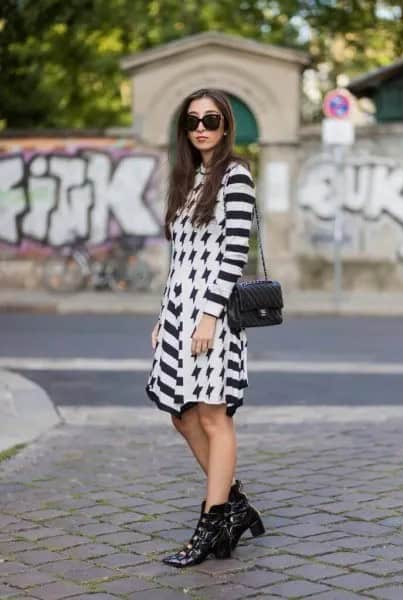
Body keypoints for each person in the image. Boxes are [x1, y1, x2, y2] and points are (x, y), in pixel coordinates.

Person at [145, 88, 265, 568]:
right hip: (179, 311)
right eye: (193, 120)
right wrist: (163, 315)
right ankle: (234, 505)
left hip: (211, 315)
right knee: (181, 413)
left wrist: (210, 315)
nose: (201, 127)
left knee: (214, 416)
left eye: (211, 119)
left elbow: (236, 251)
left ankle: (213, 522)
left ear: (225, 125)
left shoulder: (235, 176)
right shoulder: (187, 178)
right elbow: (179, 260)